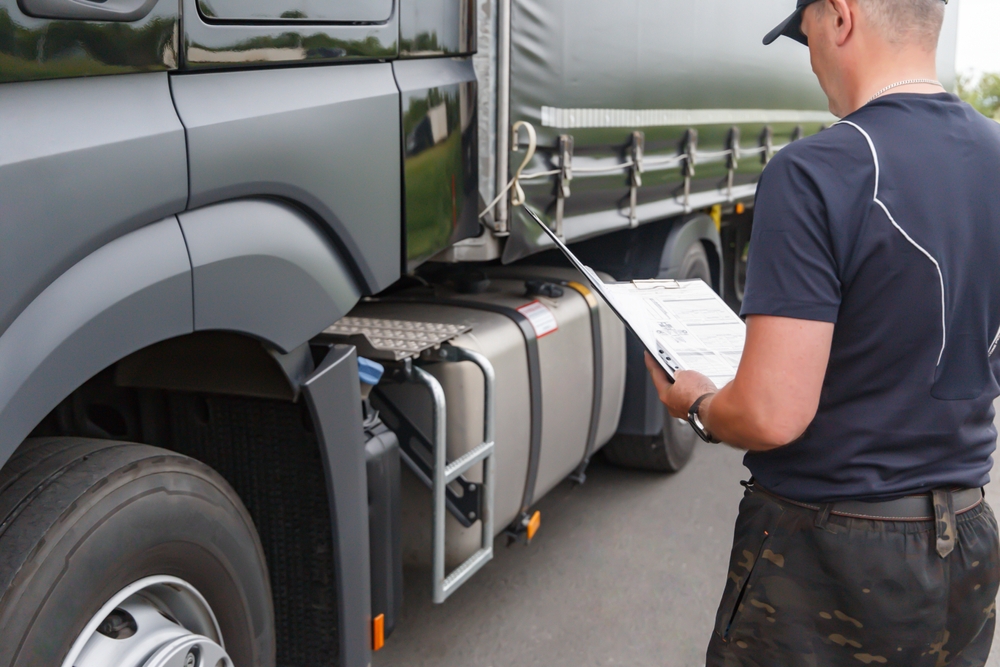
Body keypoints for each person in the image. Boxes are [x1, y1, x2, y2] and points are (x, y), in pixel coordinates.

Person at [645, 0, 1000, 664]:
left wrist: (696, 400)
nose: (811, 63)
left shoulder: (818, 171)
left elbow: (773, 412)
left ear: (840, 18)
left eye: (806, 37)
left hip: (832, 560)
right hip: (969, 545)